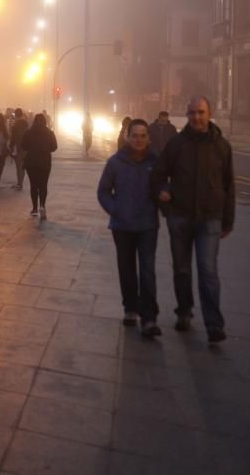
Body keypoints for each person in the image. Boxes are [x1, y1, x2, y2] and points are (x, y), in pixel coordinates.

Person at [151, 96, 235, 343]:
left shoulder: (222, 146)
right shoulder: (177, 144)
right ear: (187, 116)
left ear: (209, 114)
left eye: (201, 112)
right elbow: (157, 176)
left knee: (208, 271)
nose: (197, 117)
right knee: (182, 270)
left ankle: (214, 324)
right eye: (192, 113)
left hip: (210, 219)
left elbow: (228, 185)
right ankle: (184, 311)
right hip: (180, 217)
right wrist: (164, 198)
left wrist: (227, 220)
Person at [97, 118, 161, 337]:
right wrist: (116, 209)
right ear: (127, 136)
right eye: (135, 135)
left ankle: (149, 317)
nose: (139, 140)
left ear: (148, 138)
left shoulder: (156, 162)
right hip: (122, 225)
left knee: (147, 270)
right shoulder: (115, 162)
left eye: (143, 136)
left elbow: (167, 182)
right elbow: (103, 191)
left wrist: (166, 193)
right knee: (126, 269)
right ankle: (130, 308)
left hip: (147, 225)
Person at [21, 113, 58, 220]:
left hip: (31, 162)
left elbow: (23, 145)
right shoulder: (49, 132)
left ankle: (34, 208)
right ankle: (42, 206)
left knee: (34, 185)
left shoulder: (28, 132)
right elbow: (54, 147)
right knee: (43, 185)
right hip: (44, 162)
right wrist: (46, 149)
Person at [9, 107, 28, 190]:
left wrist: (10, 147)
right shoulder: (26, 124)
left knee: (18, 167)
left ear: (16, 115)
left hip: (18, 147)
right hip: (26, 147)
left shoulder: (15, 126)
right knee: (23, 166)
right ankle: (21, 182)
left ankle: (19, 183)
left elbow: (13, 138)